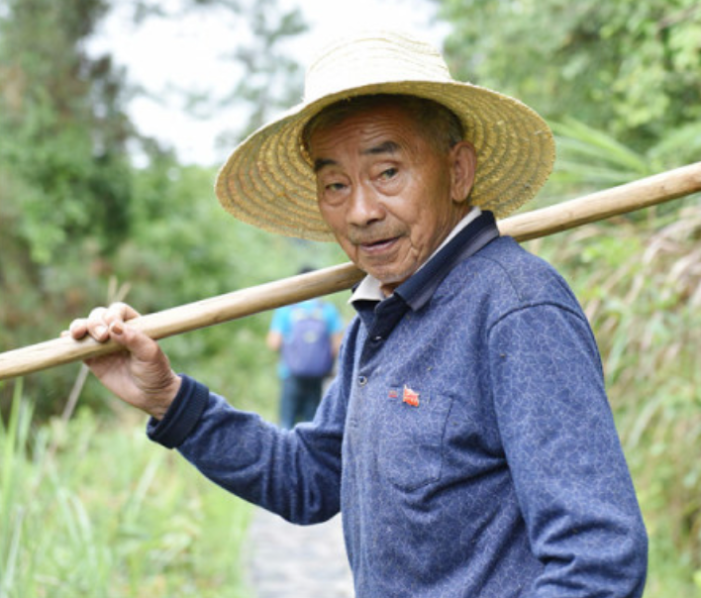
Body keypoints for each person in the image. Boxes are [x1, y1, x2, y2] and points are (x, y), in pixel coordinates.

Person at [67, 30, 648, 597]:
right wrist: (167, 397)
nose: (362, 211)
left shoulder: (516, 309)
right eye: (336, 185)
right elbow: (308, 479)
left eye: (387, 172)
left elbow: (597, 563)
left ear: (459, 171)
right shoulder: (382, 316)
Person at [267, 272, 343, 429]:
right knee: (311, 422)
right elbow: (338, 345)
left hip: (290, 374)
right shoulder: (327, 310)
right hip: (317, 376)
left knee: (286, 423)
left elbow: (273, 343)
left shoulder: (287, 310)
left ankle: (284, 453)